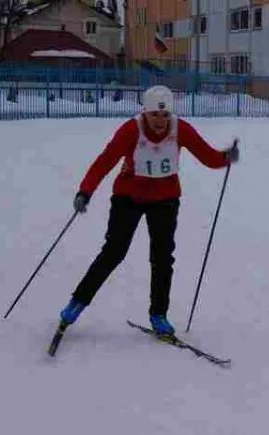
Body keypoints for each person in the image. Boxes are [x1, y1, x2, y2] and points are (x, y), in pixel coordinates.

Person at [57, 85, 239, 337]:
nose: (160, 121)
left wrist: (226, 157)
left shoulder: (181, 129)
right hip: (128, 197)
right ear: (145, 111)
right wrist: (85, 192)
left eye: (165, 115)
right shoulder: (131, 130)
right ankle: (77, 303)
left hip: (165, 200)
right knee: (113, 252)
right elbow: (104, 162)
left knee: (162, 258)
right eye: (155, 114)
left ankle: (158, 315)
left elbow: (207, 156)